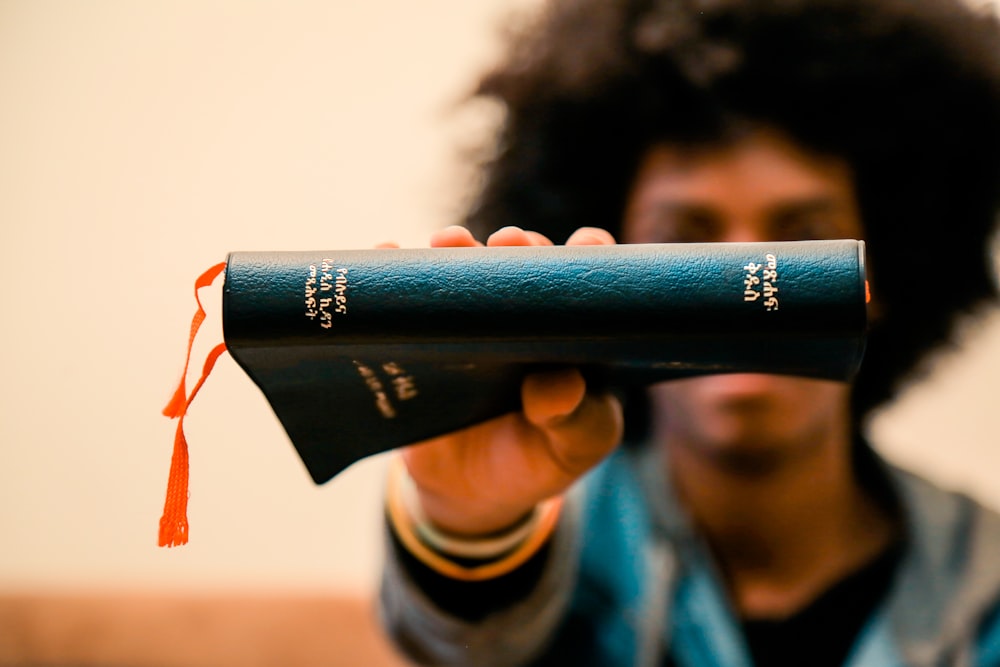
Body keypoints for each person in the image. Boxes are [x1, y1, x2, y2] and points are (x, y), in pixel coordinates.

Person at [377, 0, 1000, 665]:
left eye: (799, 240)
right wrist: (470, 522)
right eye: (685, 242)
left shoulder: (981, 583)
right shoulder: (544, 534)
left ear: (885, 276)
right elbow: (460, 638)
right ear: (605, 276)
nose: (746, 289)